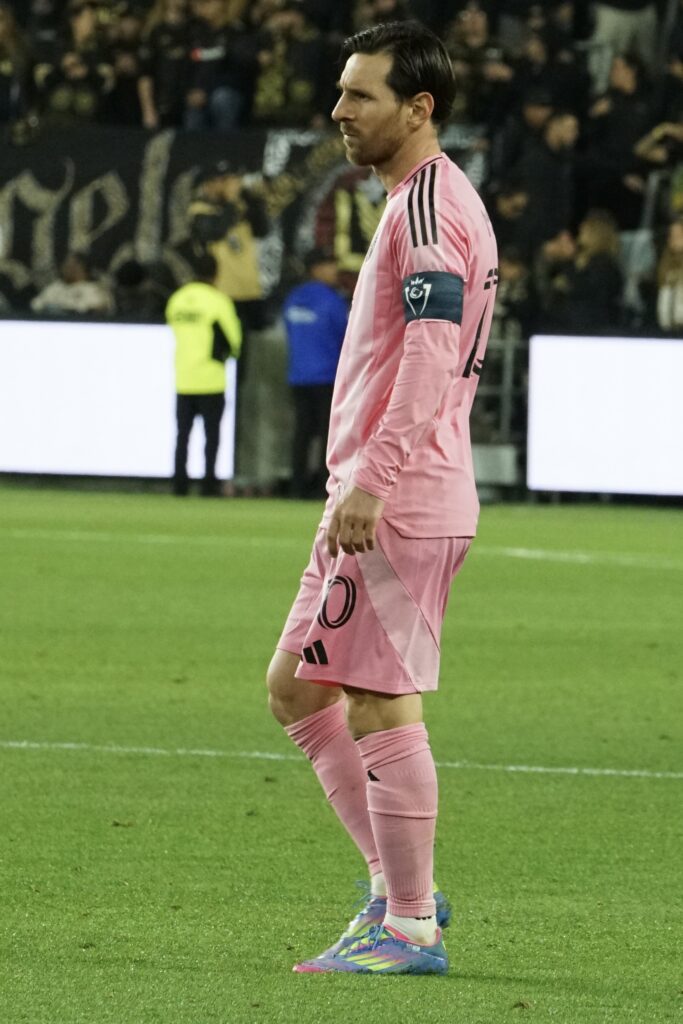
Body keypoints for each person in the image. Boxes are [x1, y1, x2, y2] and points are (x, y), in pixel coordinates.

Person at [266, 20, 498, 975]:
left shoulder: (426, 207)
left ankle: (407, 924)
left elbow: (435, 354)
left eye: (360, 96)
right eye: (340, 92)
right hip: (376, 493)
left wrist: (372, 479)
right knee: (296, 688)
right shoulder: (420, 200)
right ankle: (395, 887)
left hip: (395, 497)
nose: (339, 113)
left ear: (418, 107)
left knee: (375, 697)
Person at [165, 253, 242, 496]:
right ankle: (209, 486)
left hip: (183, 378)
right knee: (211, 438)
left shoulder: (177, 299)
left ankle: (180, 486)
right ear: (215, 274)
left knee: (182, 436)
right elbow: (234, 341)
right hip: (211, 379)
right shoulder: (218, 301)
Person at [282, 248, 348, 499]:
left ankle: (297, 486)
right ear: (316, 269)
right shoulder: (332, 300)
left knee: (301, 433)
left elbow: (289, 330)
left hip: (298, 375)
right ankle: (323, 486)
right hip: (327, 377)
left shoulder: (293, 299)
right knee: (327, 435)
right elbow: (345, 336)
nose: (334, 272)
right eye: (330, 265)